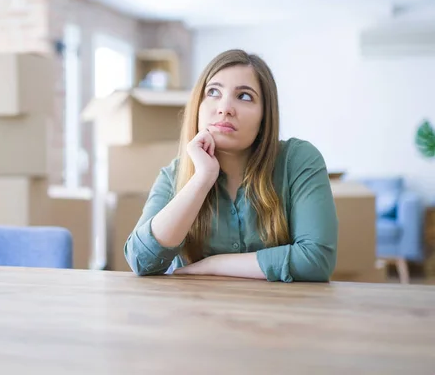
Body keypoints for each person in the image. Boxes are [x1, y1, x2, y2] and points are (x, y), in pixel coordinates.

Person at [123, 49, 338, 282]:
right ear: (198, 105)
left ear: (265, 116)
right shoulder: (174, 175)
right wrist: (202, 179)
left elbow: (315, 260)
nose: (224, 108)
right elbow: (141, 260)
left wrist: (215, 264)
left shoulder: (298, 160)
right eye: (213, 92)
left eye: (244, 96)